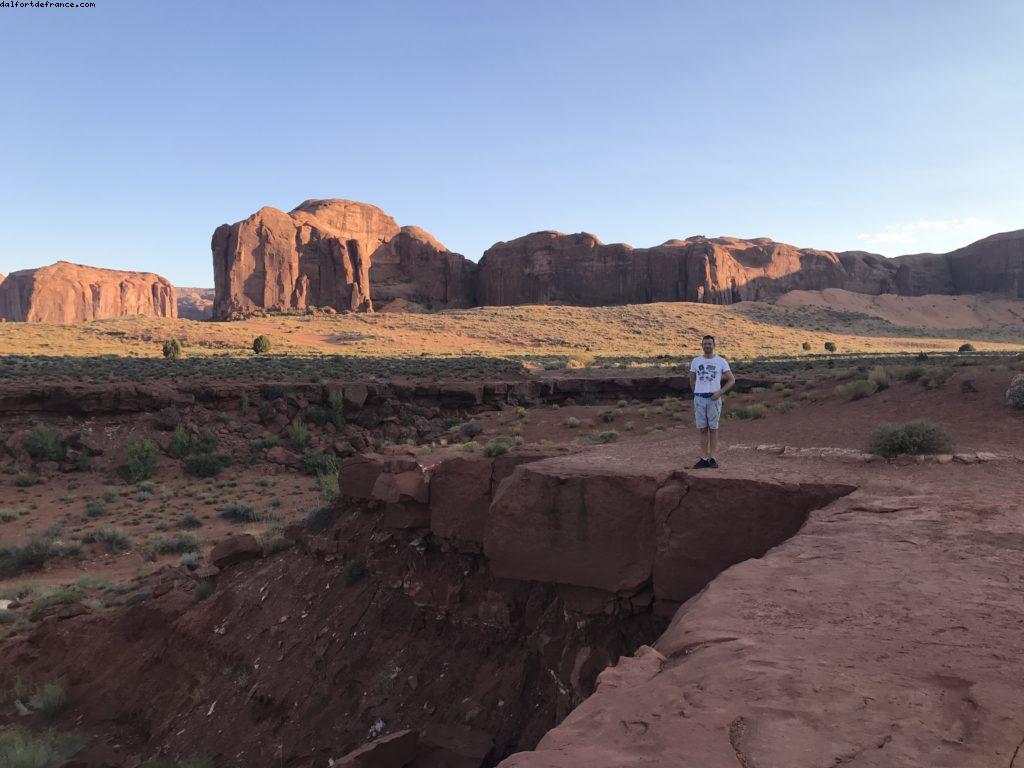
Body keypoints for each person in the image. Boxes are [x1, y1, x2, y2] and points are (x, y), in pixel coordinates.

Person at [689, 334, 735, 469]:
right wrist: (695, 392)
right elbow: (691, 379)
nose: (707, 346)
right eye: (705, 344)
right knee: (703, 429)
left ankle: (712, 458)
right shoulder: (696, 361)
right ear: (701, 345)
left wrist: (720, 392)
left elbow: (732, 380)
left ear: (714, 345)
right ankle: (704, 458)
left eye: (710, 344)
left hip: (714, 399)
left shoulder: (721, 361)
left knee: (713, 429)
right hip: (699, 398)